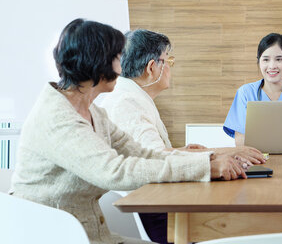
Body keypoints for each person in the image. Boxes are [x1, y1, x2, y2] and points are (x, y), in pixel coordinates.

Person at [10, 19, 246, 244]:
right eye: (117, 57)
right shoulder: (58, 119)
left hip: (90, 234)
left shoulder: (94, 113)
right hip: (53, 237)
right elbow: (114, 171)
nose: (122, 67)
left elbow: (143, 154)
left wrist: (207, 160)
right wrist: (203, 167)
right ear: (97, 62)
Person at [100, 29, 266, 244]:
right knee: (237, 226)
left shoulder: (131, 95)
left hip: (156, 202)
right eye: (168, 61)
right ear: (153, 67)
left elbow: (154, 153)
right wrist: (223, 153)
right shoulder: (127, 102)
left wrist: (201, 152)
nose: (170, 67)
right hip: (152, 212)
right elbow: (156, 158)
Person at [223, 33, 282, 146]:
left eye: (279, 59)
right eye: (266, 60)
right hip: (257, 159)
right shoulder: (246, 93)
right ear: (259, 61)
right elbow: (240, 142)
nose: (272, 66)